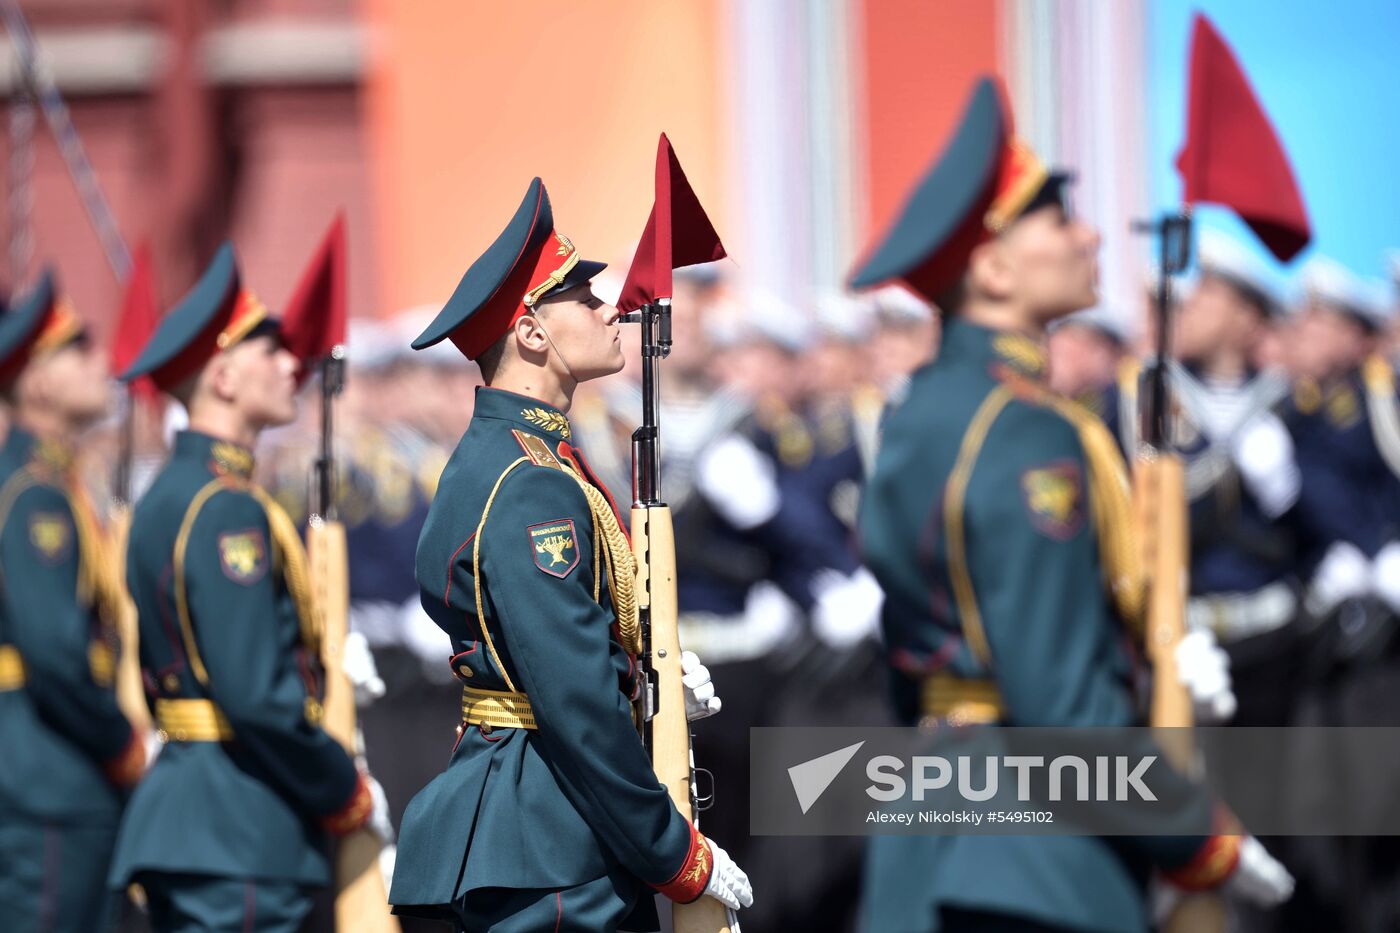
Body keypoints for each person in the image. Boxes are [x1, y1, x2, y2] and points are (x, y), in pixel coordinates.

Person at [851, 77, 1293, 932]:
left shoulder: (920, 409)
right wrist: (1199, 835)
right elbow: (1057, 703)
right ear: (993, 267)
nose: (1092, 235)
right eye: (1060, 221)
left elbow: (921, 656)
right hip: (1038, 858)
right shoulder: (1026, 432)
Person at [388, 177, 751, 931]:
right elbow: (573, 698)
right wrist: (678, 855)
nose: (609, 306)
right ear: (531, 333)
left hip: (531, 829)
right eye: (582, 299)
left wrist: (640, 662)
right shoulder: (530, 482)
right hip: (550, 850)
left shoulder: (518, 456)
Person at [107, 243, 391, 931]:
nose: (293, 364)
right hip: (240, 821)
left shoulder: (174, 493)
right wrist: (342, 786)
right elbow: (252, 692)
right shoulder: (226, 507)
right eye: (271, 351)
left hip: (204, 813)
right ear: (225, 377)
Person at [0, 271, 146, 931]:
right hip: (50, 774)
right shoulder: (36, 496)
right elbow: (55, 650)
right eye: (77, 348)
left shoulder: (51, 479)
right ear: (37, 382)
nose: (101, 362)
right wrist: (121, 742)